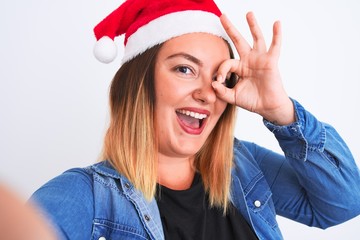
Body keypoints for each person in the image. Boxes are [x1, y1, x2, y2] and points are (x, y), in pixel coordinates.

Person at [30, 0, 360, 239]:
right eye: (185, 69)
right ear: (139, 84)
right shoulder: (86, 194)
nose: (207, 93)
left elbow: (342, 203)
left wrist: (281, 112)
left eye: (221, 77)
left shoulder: (242, 167)